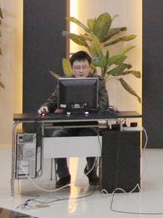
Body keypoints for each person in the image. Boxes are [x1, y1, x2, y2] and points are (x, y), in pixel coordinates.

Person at [37, 50, 109, 188]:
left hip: (88, 124)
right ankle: (64, 175)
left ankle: (91, 171)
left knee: (92, 138)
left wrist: (88, 107)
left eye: (84, 67)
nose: (81, 71)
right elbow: (53, 100)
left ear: (90, 67)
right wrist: (46, 107)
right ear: (71, 68)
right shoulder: (65, 82)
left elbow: (104, 103)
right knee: (57, 137)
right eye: (77, 67)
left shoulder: (99, 82)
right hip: (68, 124)